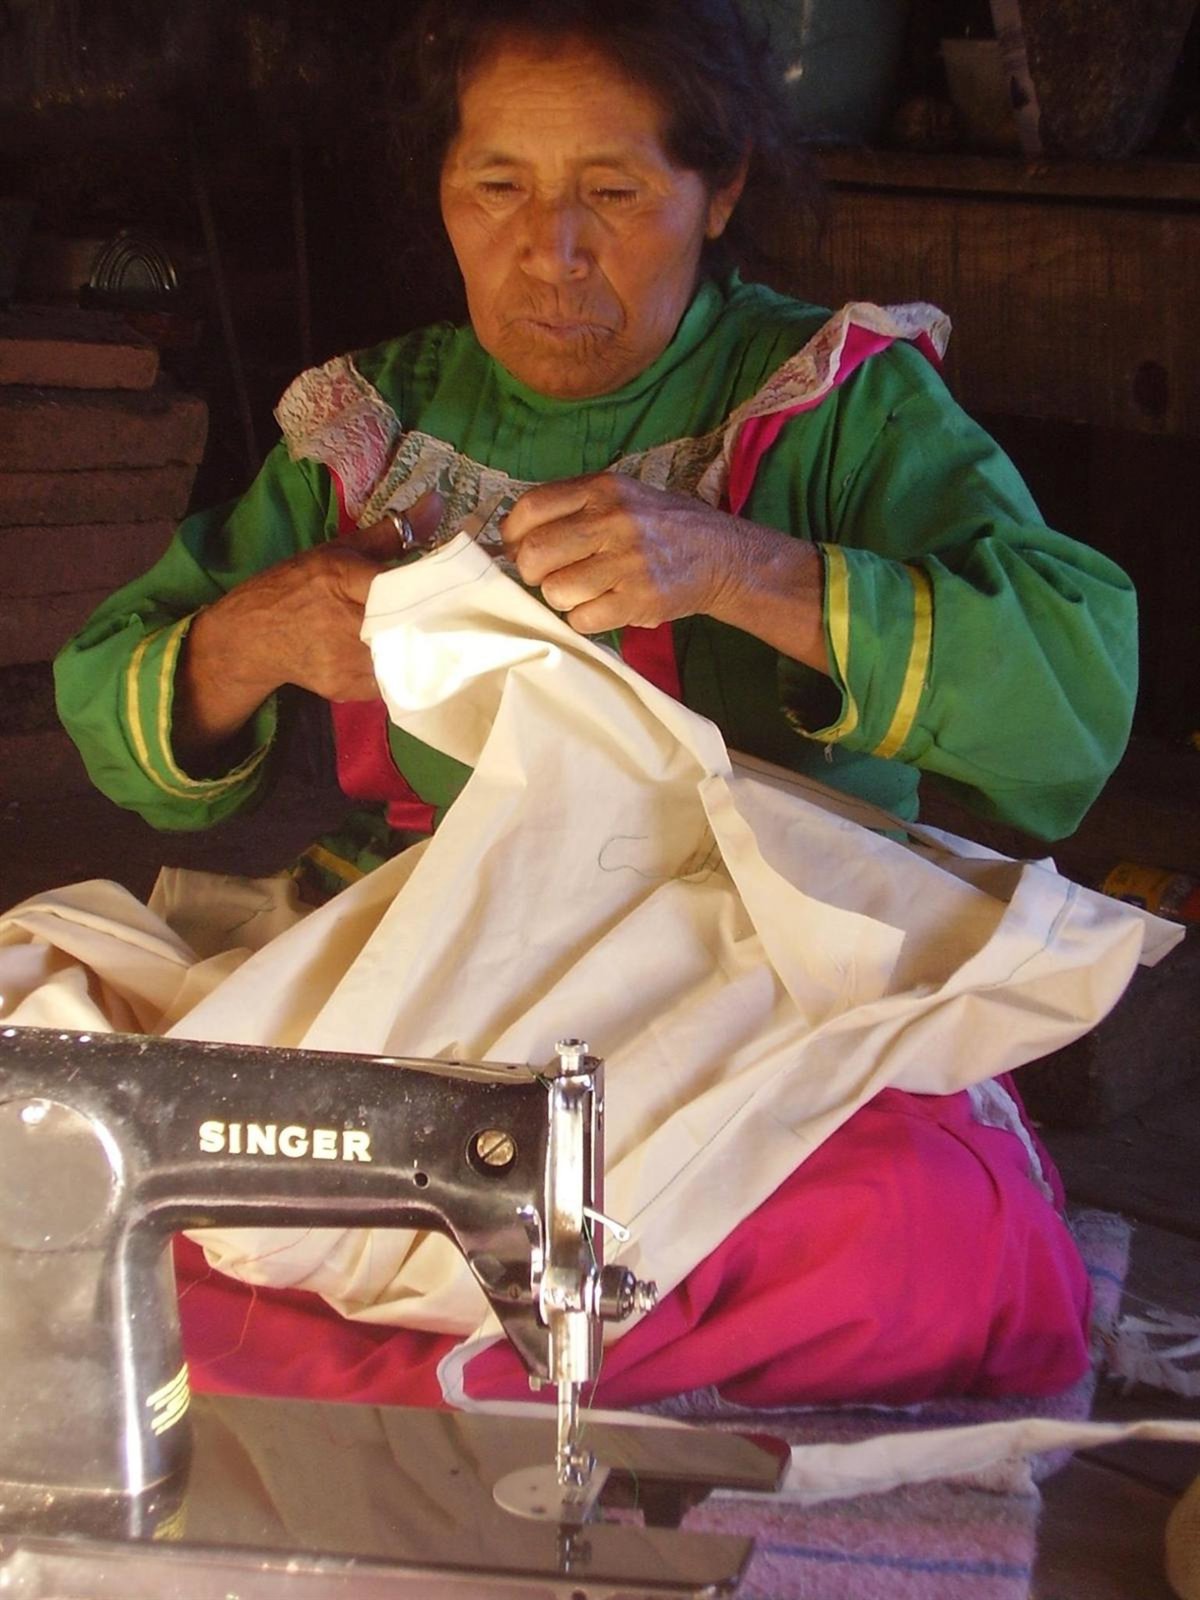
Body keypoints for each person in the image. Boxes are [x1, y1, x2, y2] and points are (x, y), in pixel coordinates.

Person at [39, 0, 1139, 1410]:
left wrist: (744, 570)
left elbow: (1071, 699)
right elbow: (116, 705)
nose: (549, 251)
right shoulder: (370, 430)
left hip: (760, 980)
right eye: (497, 186)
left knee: (927, 1244)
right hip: (428, 976)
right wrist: (255, 634)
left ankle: (427, 1366)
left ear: (720, 189)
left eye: (612, 193)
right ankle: (544, 1361)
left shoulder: (835, 406)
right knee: (75, 1149)